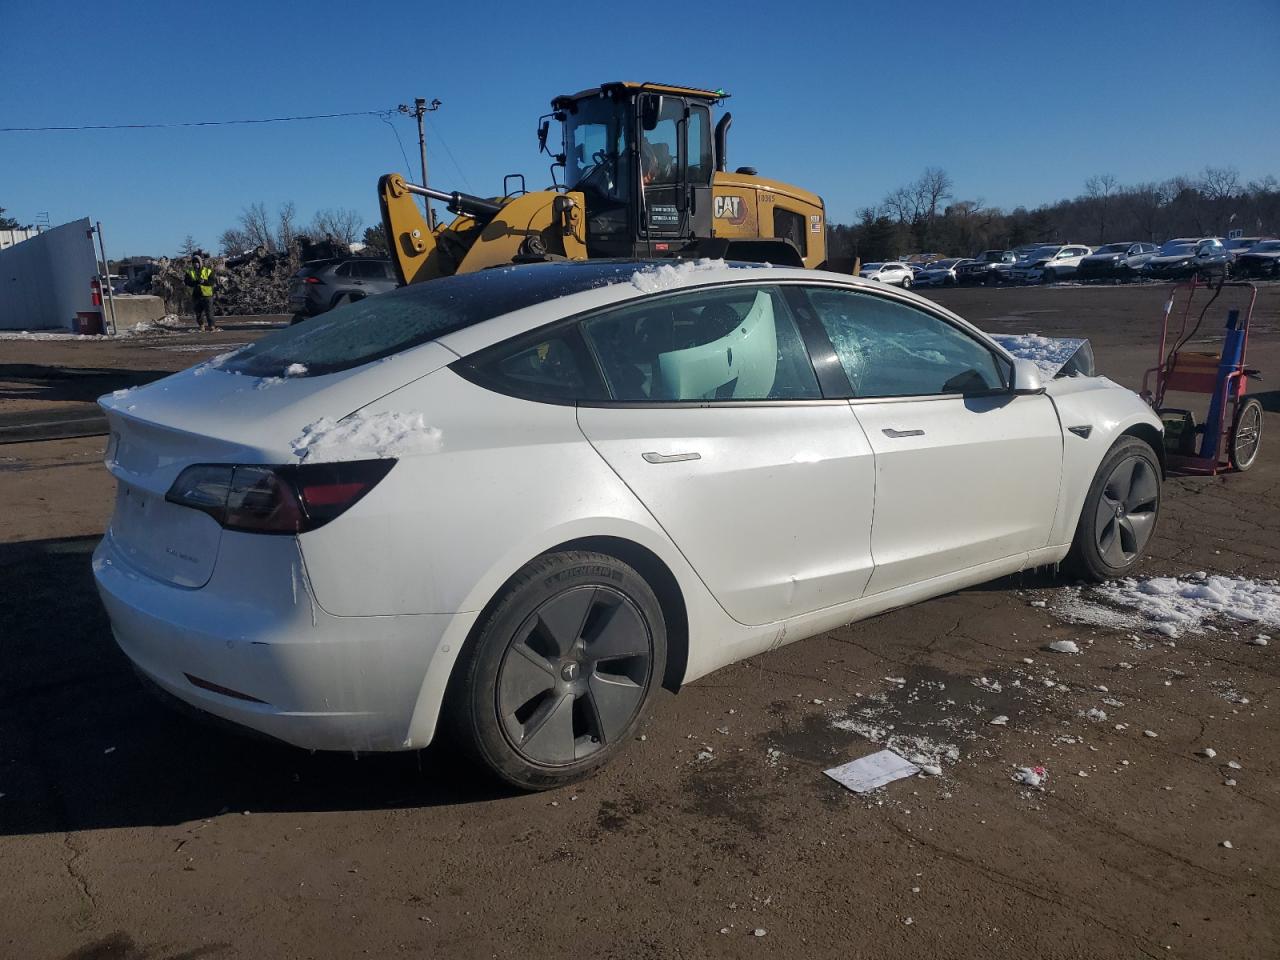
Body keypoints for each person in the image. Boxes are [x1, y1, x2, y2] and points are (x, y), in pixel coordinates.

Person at [184, 254, 216, 331]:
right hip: (196, 295)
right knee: (198, 313)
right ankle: (201, 325)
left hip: (207, 295)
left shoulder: (208, 270)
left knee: (209, 312)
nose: (196, 264)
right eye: (194, 262)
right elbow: (187, 282)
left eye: (197, 262)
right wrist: (195, 282)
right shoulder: (189, 271)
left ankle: (211, 326)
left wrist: (204, 281)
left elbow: (212, 282)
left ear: (200, 262)